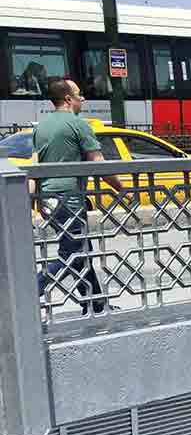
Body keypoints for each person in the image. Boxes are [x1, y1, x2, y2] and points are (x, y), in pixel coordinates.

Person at [34, 77, 123, 316]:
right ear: (68, 99)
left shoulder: (41, 126)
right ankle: (31, 292)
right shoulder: (78, 124)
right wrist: (122, 189)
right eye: (79, 94)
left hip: (48, 199)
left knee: (80, 250)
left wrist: (33, 201)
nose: (82, 98)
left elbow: (35, 166)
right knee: (72, 253)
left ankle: (95, 303)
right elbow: (97, 162)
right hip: (69, 199)